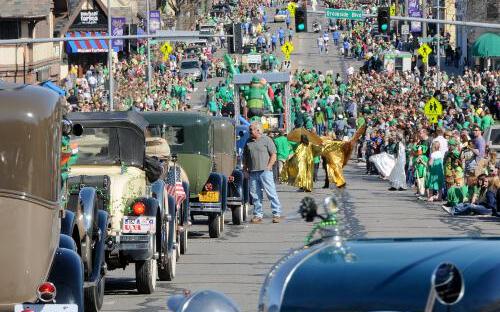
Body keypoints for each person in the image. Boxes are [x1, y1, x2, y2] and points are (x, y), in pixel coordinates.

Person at [243, 121, 282, 224]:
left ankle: (276, 214)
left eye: (251, 130)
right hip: (253, 172)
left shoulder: (267, 140)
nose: (249, 131)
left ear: (258, 130)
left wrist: (269, 167)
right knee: (255, 195)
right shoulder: (248, 141)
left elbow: (274, 154)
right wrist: (245, 170)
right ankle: (258, 215)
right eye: (249, 130)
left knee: (271, 193)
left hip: (265, 172)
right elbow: (245, 157)